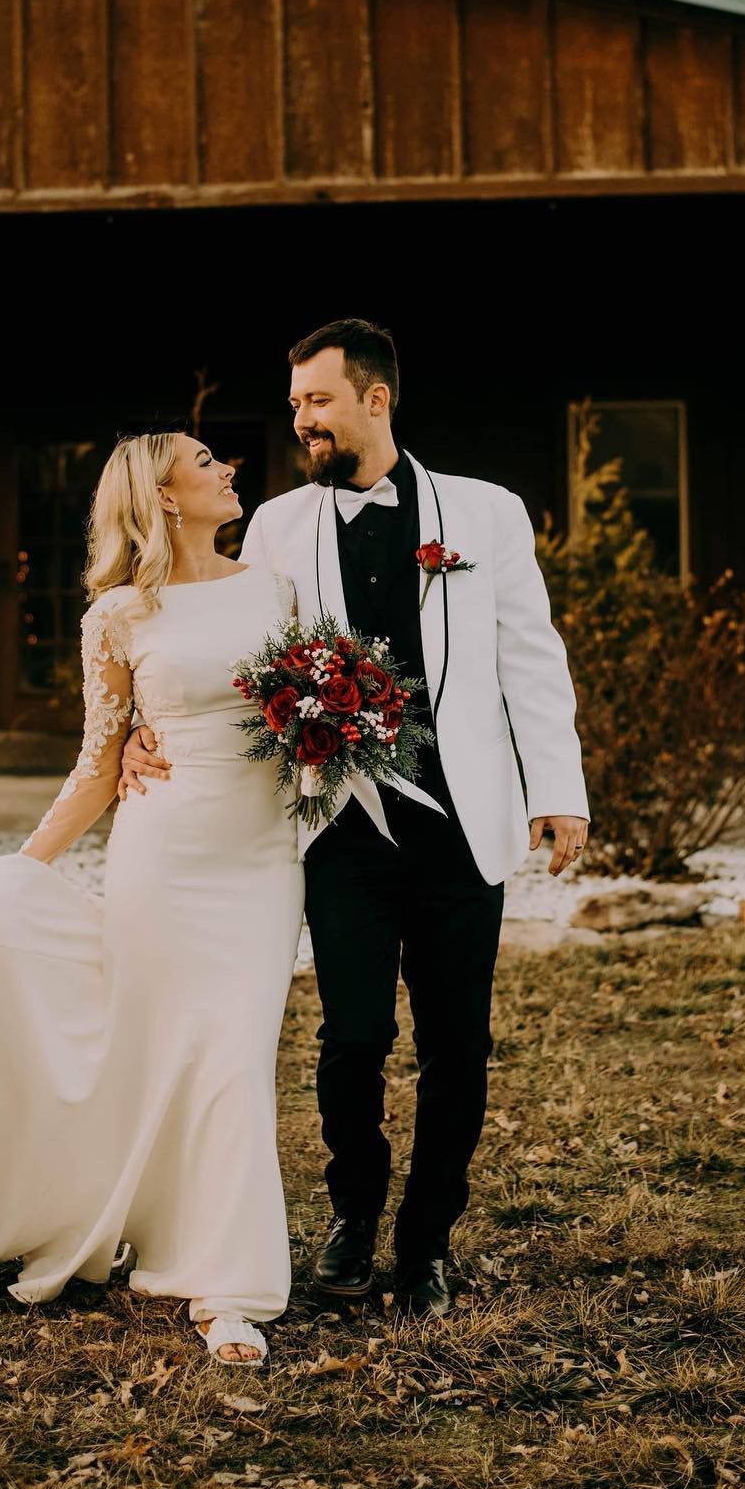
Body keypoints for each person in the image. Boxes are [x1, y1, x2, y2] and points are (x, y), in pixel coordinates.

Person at [119, 319, 590, 1317]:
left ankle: (426, 1240)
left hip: (463, 823)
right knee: (353, 1037)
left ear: (376, 400)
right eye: (295, 403)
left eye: (317, 401)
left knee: (459, 1042)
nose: (302, 419)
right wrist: (136, 727)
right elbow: (217, 630)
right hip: (341, 827)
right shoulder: (281, 524)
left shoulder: (485, 514)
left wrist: (559, 789)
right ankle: (353, 1213)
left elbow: (529, 654)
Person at [0, 431, 304, 1369]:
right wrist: (20, 867)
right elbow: (99, 765)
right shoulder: (118, 616)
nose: (228, 469)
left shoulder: (276, 588)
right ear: (165, 496)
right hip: (163, 856)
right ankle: (204, 1272)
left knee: (237, 1053)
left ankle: (219, 1277)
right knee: (169, 1055)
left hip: (261, 860)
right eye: (206, 459)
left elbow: (306, 714)